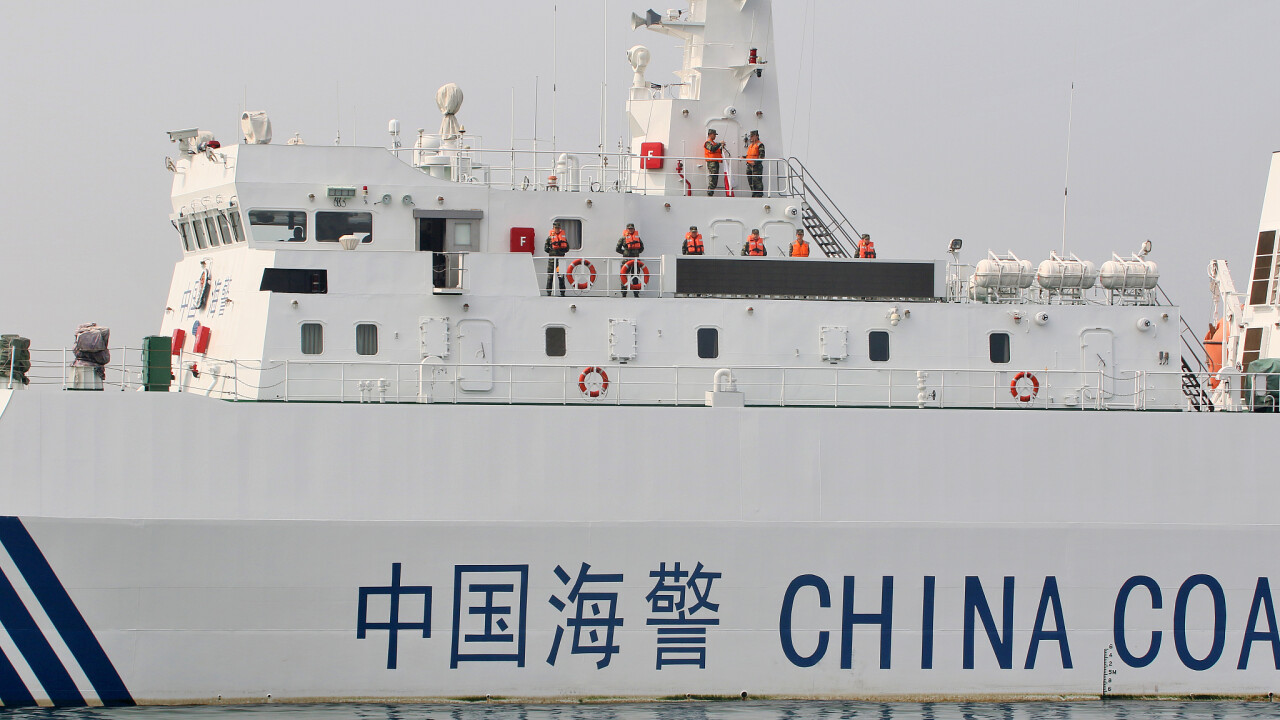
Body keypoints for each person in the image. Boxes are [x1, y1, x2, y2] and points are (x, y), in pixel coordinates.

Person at [615, 223, 645, 297]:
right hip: (626, 260)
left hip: (635, 260)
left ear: (634, 229)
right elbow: (617, 249)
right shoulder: (623, 238)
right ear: (627, 230)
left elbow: (642, 248)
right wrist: (625, 253)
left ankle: (636, 293)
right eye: (629, 229)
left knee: (635, 276)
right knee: (624, 276)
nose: (631, 230)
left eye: (632, 228)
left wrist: (636, 252)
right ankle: (624, 293)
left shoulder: (638, 238)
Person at [545, 221, 569, 296]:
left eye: (558, 228)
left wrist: (561, 249)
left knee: (561, 276)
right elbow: (546, 249)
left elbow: (567, 248)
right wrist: (552, 251)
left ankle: (562, 292)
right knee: (550, 276)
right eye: (556, 228)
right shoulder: (549, 238)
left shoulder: (564, 238)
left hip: (561, 260)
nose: (557, 229)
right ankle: (549, 292)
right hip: (552, 260)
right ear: (553, 228)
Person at [704, 129, 726, 196]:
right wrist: (719, 144)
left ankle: (711, 192)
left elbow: (718, 151)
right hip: (711, 163)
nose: (715, 136)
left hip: (715, 162)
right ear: (710, 134)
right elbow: (712, 149)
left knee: (715, 179)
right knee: (713, 178)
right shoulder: (708, 143)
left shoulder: (714, 143)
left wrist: (722, 147)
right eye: (714, 135)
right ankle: (710, 193)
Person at [744, 130, 765, 197]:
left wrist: (755, 162)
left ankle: (758, 195)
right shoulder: (751, 145)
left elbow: (762, 156)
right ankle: (754, 194)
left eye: (753, 136)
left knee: (757, 181)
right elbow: (749, 155)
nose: (751, 138)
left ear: (757, 136)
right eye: (751, 136)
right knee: (751, 181)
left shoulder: (760, 145)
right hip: (749, 166)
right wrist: (744, 157)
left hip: (756, 167)